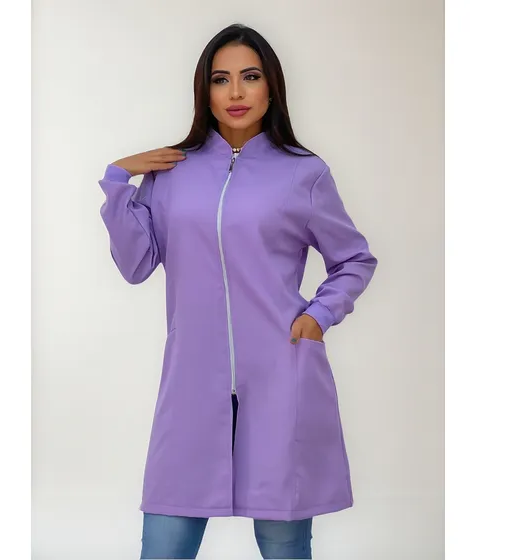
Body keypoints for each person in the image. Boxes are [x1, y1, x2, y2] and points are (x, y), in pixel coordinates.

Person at [98, 23, 378, 560]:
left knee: (282, 542)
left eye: (249, 77)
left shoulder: (303, 173)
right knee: (166, 540)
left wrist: (317, 316)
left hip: (280, 376)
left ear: (271, 86)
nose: (235, 92)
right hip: (191, 381)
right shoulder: (171, 171)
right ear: (204, 90)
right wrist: (118, 182)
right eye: (220, 79)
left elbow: (354, 259)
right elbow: (136, 265)